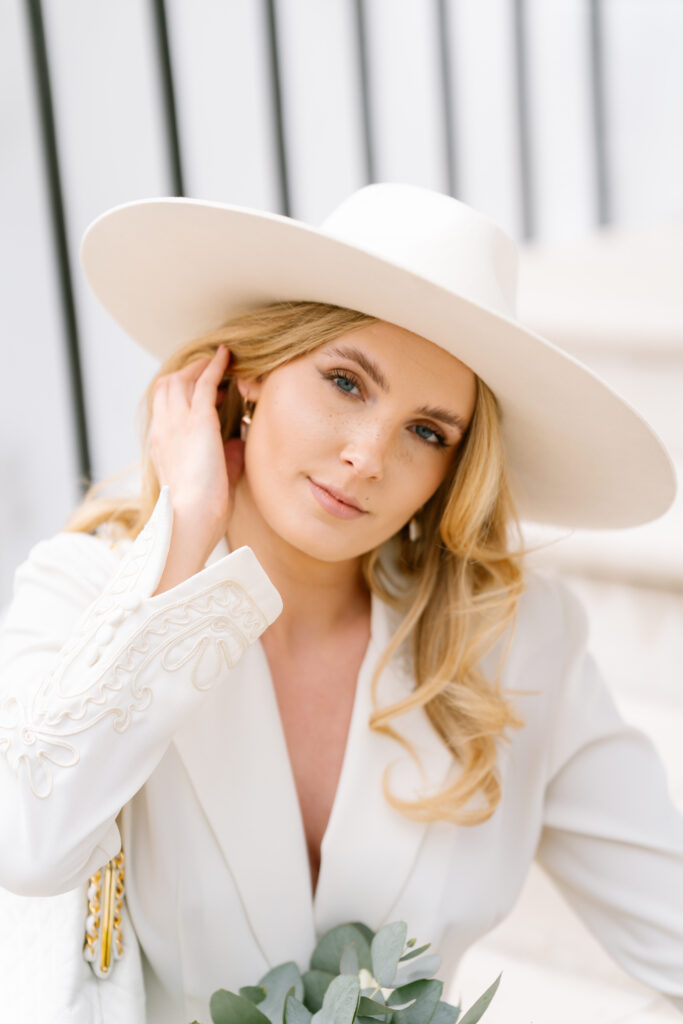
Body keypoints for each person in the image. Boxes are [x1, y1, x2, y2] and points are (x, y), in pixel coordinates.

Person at [0, 183, 681, 1024]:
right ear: (246, 373)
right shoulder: (81, 591)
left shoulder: (512, 644)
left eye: (428, 432)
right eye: (346, 382)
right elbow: (27, 844)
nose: (366, 457)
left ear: (450, 473)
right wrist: (183, 541)